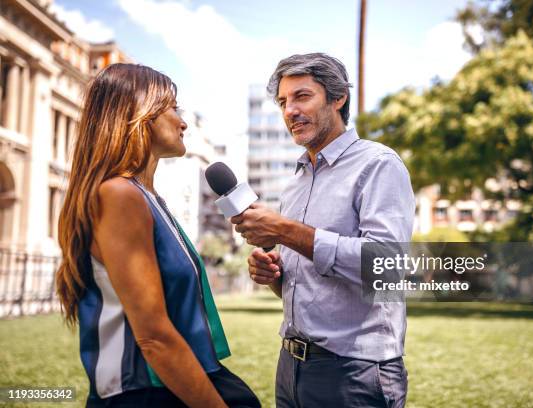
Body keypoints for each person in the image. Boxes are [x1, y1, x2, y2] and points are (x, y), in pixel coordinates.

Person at [55, 63, 260, 408]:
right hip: (145, 394)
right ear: (138, 114)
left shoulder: (148, 198)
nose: (182, 122)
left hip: (179, 384)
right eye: (172, 108)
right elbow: (153, 339)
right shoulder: (120, 196)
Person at [230, 53, 415, 407]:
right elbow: (304, 285)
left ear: (338, 97)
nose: (289, 111)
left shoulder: (379, 165)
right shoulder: (296, 183)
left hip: (355, 372)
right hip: (291, 367)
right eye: (283, 102)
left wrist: (284, 230)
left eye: (302, 96)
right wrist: (272, 275)